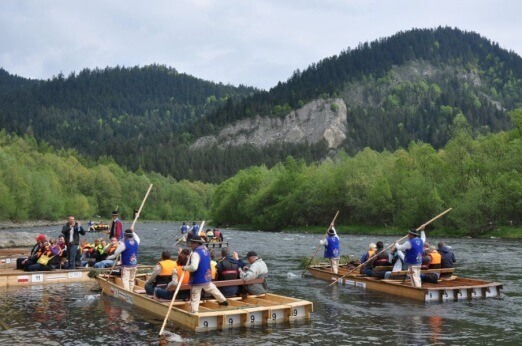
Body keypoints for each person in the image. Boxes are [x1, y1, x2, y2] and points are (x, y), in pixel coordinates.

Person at [182, 236, 228, 312]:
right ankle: (223, 300)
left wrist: (185, 268)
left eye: (192, 243)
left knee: (195, 296)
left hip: (198, 278)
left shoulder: (195, 254)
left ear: (196, 243)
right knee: (212, 288)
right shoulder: (206, 250)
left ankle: (194, 312)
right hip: (206, 276)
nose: (191, 244)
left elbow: (193, 267)